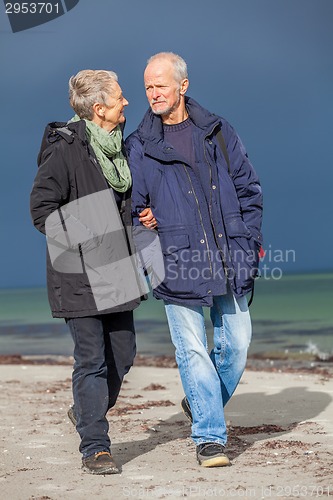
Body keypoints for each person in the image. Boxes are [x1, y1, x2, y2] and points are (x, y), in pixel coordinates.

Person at [125, 52, 263, 467]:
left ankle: (201, 404)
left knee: (236, 345)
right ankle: (209, 438)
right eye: (148, 86)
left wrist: (251, 240)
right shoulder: (139, 146)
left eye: (161, 85)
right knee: (192, 351)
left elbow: (248, 188)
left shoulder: (218, 130)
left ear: (182, 86)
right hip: (175, 259)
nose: (153, 93)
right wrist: (140, 217)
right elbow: (129, 207)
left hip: (228, 253)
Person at [30, 69, 149, 474]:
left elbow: (118, 206)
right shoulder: (64, 149)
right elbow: (41, 211)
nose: (127, 103)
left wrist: (140, 216)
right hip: (77, 274)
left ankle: (85, 409)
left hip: (116, 268)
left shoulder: (119, 149)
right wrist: (91, 234)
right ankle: (95, 447)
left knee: (124, 353)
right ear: (99, 109)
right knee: (91, 361)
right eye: (120, 98)